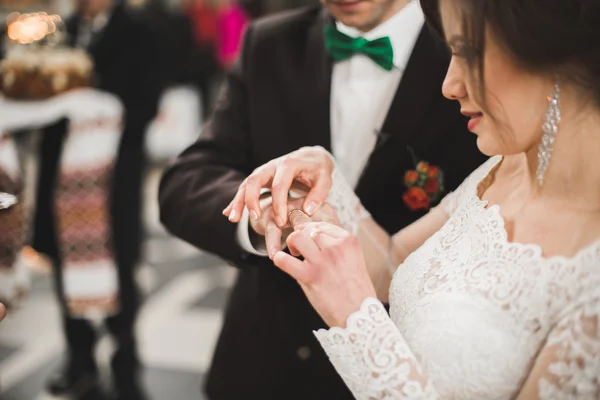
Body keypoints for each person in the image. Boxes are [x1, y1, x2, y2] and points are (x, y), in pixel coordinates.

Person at [224, 0, 600, 397]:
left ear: (554, 51)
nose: (449, 85)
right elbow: (390, 268)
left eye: (467, 52)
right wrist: (324, 182)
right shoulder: (499, 170)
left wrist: (355, 317)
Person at [158, 0, 485, 398]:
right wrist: (262, 212)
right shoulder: (269, 43)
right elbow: (186, 180)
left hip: (392, 365)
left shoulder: (470, 48)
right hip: (261, 363)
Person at [32, 0, 163, 398]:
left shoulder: (139, 29)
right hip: (61, 178)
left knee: (119, 269)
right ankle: (79, 360)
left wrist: (97, 113)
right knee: (64, 269)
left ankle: (125, 363)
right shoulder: (59, 29)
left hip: (112, 179)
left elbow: (147, 103)